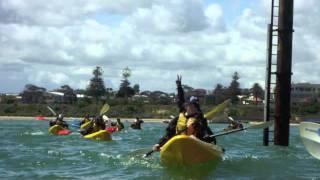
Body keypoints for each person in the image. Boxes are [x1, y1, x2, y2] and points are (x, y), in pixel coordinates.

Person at [152, 75, 216, 152]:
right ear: (186, 106)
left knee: (208, 137)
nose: (194, 108)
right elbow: (168, 134)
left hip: (195, 145)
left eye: (196, 106)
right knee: (169, 137)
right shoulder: (177, 119)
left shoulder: (200, 119)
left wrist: (208, 138)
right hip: (178, 145)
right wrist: (159, 144)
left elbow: (206, 132)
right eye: (191, 105)